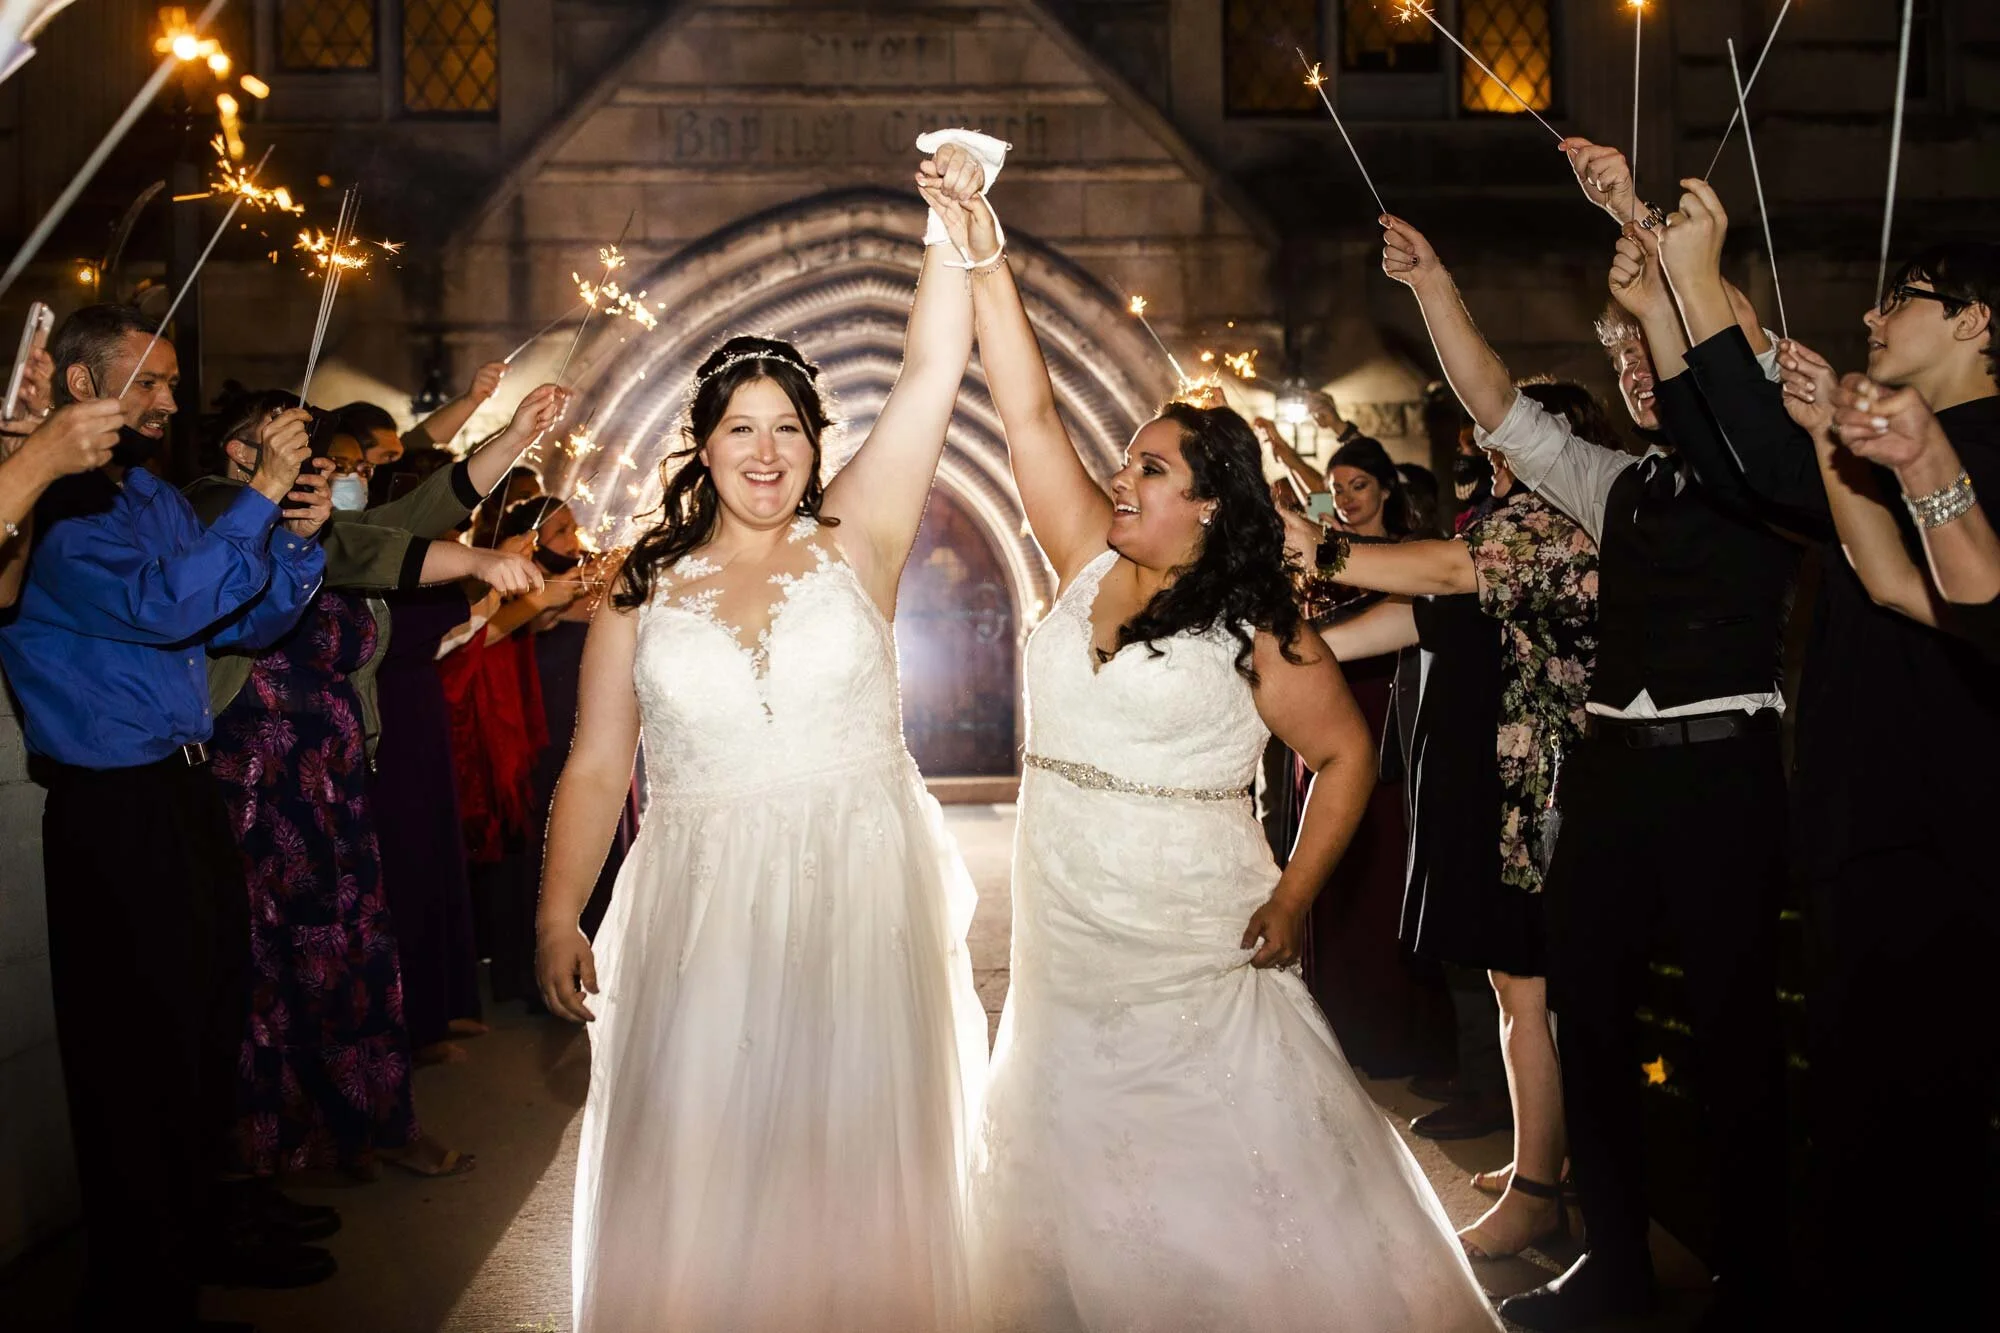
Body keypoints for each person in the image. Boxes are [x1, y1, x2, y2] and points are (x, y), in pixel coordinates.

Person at [958, 162, 1502, 1333]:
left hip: (1189, 918)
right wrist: (980, 244)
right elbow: (1026, 409)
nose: (1122, 471)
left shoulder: (1256, 622)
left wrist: (1298, 894)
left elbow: (1348, 757)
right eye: (1131, 458)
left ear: (1207, 502)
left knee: (1212, 1143)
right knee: (1074, 1124)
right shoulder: (1081, 556)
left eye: (1150, 466)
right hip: (1065, 918)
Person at [534, 139, 992, 1331]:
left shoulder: (862, 543)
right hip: (701, 894)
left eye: (787, 426)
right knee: (710, 1143)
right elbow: (594, 767)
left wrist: (948, 221)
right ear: (702, 443)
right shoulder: (643, 585)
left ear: (813, 441)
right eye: (740, 428)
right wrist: (553, 913)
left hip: (854, 884)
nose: (766, 450)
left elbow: (935, 367)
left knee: (847, 1140)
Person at [1381, 203, 1799, 1330]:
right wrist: (1431, 285)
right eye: (1620, 355)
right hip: (1610, 777)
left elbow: (1721, 389)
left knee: (1730, 1037)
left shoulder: (1775, 473)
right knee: (1592, 1026)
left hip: (1722, 774)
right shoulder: (1613, 485)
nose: (1635, 366)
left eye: (1649, 345)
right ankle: (1609, 1260)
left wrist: (1666, 287)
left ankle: (1754, 1276)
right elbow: (1497, 411)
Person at [1634, 176, 2000, 1330]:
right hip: (1859, 822)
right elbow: (1759, 468)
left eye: (1904, 298)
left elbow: (1950, 590)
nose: (1872, 316)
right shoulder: (1885, 447)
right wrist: (1672, 297)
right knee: (1857, 1120)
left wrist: (1694, 286)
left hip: (1947, 834)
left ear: (1978, 320)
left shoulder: (1980, 447)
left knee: (1917, 1130)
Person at [0, 304, 332, 1328]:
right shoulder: (56, 516)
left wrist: (297, 539)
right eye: (145, 382)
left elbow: (245, 614)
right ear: (75, 386)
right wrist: (260, 492)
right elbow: (168, 606)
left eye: (173, 383)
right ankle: (135, 1291)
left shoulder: (147, 494)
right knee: (130, 1061)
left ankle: (191, 1248)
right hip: (110, 808)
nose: (167, 402)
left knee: (201, 1032)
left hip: (185, 791)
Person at [188, 385, 558, 1180]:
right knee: (271, 970)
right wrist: (480, 559)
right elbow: (363, 554)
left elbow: (418, 510)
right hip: (255, 784)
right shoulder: (217, 507)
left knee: (354, 955)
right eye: (282, 440)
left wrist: (514, 436)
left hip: (333, 778)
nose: (305, 459)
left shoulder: (313, 516)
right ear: (236, 452)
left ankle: (372, 1123)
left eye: (307, 444)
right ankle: (276, 1155)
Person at [1306, 379, 1603, 1263]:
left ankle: (1541, 1190)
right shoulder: (1496, 520)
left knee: (1529, 993)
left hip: (1536, 784)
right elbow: (1417, 615)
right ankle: (1540, 1155)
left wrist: (1311, 548)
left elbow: (1435, 575)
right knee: (1522, 992)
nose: (1487, 444)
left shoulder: (1561, 520)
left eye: (1510, 432)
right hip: (1487, 773)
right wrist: (1299, 648)